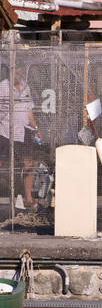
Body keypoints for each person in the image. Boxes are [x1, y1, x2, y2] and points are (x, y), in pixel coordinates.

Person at [0, 64, 40, 209]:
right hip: (6, 131)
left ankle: (28, 198)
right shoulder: (3, 87)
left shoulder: (25, 87)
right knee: (1, 162)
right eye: (18, 74)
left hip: (24, 131)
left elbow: (29, 110)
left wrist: (35, 127)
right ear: (11, 73)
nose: (20, 77)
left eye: (22, 74)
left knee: (28, 164)